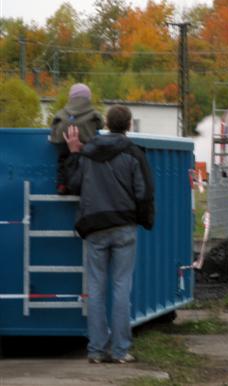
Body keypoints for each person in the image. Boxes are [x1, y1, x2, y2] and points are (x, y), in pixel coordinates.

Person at [63, 104, 154, 364]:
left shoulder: (88, 152)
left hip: (95, 227)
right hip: (124, 226)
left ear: (106, 123)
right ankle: (121, 350)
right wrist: (144, 220)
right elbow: (143, 192)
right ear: (128, 125)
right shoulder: (134, 153)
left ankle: (95, 350)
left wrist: (74, 153)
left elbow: (74, 184)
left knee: (95, 287)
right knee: (121, 287)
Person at [50, 83, 104, 194]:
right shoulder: (93, 113)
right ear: (88, 98)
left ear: (71, 97)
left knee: (63, 160)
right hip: (84, 144)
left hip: (64, 140)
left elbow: (54, 124)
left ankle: (62, 184)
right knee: (84, 163)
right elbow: (101, 124)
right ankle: (83, 185)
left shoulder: (62, 112)